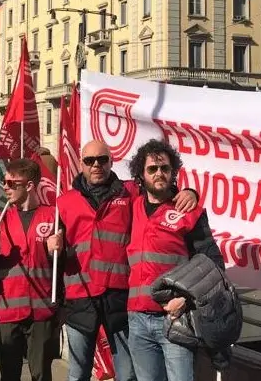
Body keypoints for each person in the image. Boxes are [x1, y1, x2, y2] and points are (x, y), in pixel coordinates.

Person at [45, 140, 198, 381]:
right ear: (81, 164)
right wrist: (51, 248)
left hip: (119, 297)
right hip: (80, 296)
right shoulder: (64, 203)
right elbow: (54, 254)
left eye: (102, 160)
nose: (96, 165)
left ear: (111, 161)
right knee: (78, 374)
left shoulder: (130, 192)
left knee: (126, 374)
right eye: (89, 161)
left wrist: (188, 192)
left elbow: (159, 190)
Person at [125, 139, 224, 381]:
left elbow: (213, 267)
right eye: (152, 169)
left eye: (165, 168)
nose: (159, 173)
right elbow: (95, 185)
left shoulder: (189, 213)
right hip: (137, 319)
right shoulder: (130, 205)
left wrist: (186, 299)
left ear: (173, 172)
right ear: (141, 174)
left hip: (174, 318)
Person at [0, 158, 58, 381]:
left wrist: (55, 250)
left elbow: (63, 268)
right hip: (7, 310)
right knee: (9, 374)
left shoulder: (53, 216)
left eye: (11, 183)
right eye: (4, 182)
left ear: (29, 185)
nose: (5, 187)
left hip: (42, 310)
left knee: (41, 374)